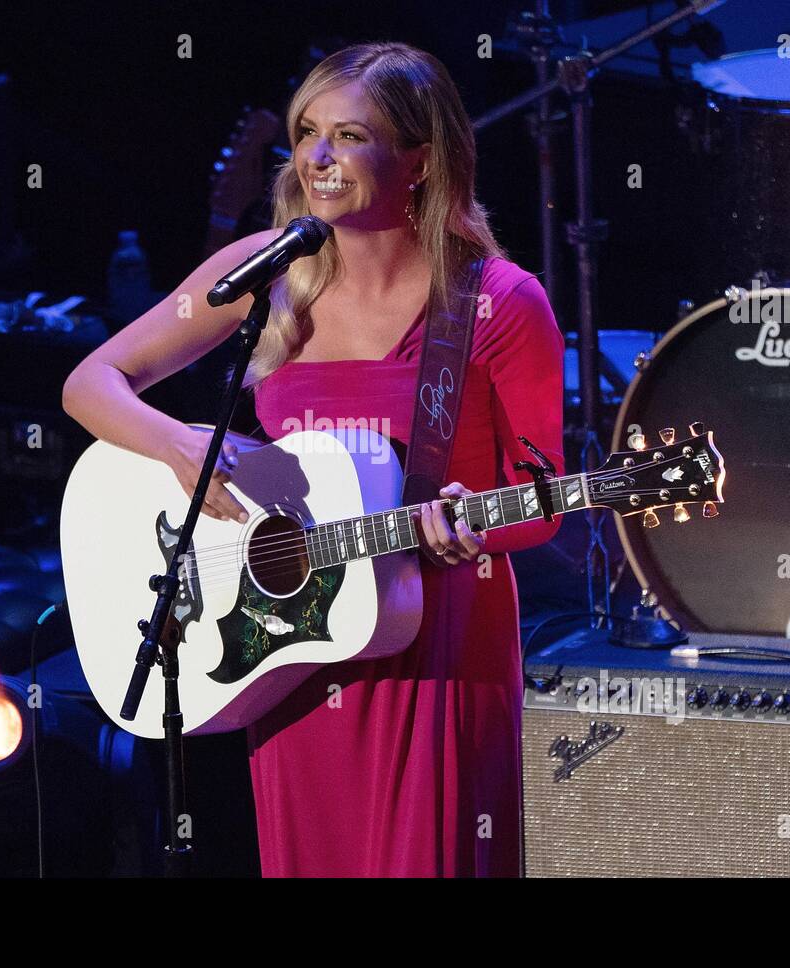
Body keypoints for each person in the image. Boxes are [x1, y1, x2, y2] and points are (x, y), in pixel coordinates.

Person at [63, 41, 564, 877]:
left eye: (350, 136)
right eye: (307, 132)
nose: (319, 158)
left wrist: (468, 527)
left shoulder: (498, 301)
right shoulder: (266, 275)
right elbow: (93, 381)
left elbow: (544, 499)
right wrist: (181, 445)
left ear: (419, 159)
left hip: (435, 641)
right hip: (297, 640)